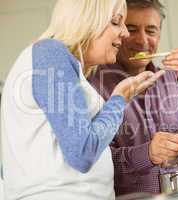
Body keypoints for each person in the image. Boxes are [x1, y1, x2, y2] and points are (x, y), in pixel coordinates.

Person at [0, 0, 164, 200]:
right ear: (87, 21)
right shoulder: (50, 53)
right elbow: (83, 153)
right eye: (115, 22)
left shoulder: (61, 62)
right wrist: (119, 99)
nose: (125, 33)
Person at [88, 0, 178, 196]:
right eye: (131, 29)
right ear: (117, 31)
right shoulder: (92, 86)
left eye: (151, 31)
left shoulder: (175, 79)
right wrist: (147, 154)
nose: (142, 41)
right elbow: (95, 162)